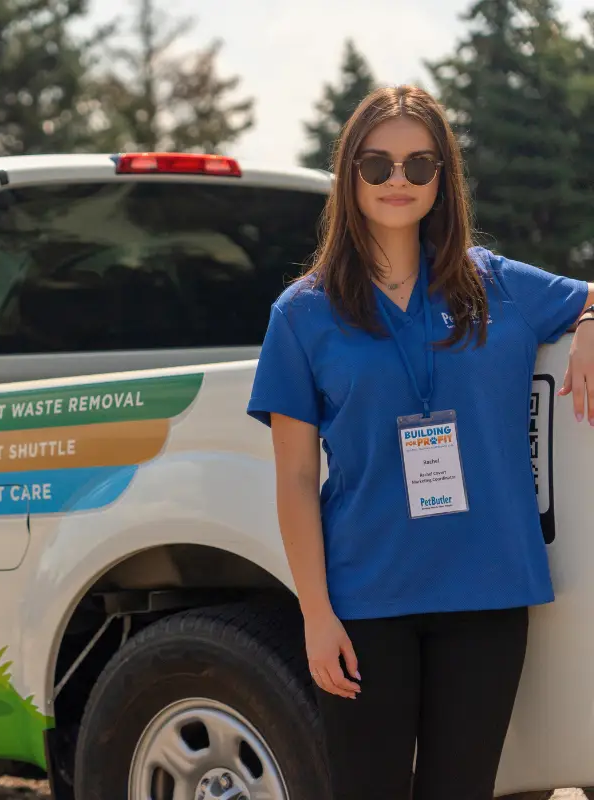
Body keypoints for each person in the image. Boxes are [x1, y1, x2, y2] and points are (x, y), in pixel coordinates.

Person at [246, 84, 594, 799]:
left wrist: (589, 327)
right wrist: (315, 614)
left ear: (443, 176)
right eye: (376, 166)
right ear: (349, 176)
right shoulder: (302, 315)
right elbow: (292, 480)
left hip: (488, 595)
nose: (397, 181)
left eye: (417, 164)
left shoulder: (499, 285)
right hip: (365, 603)